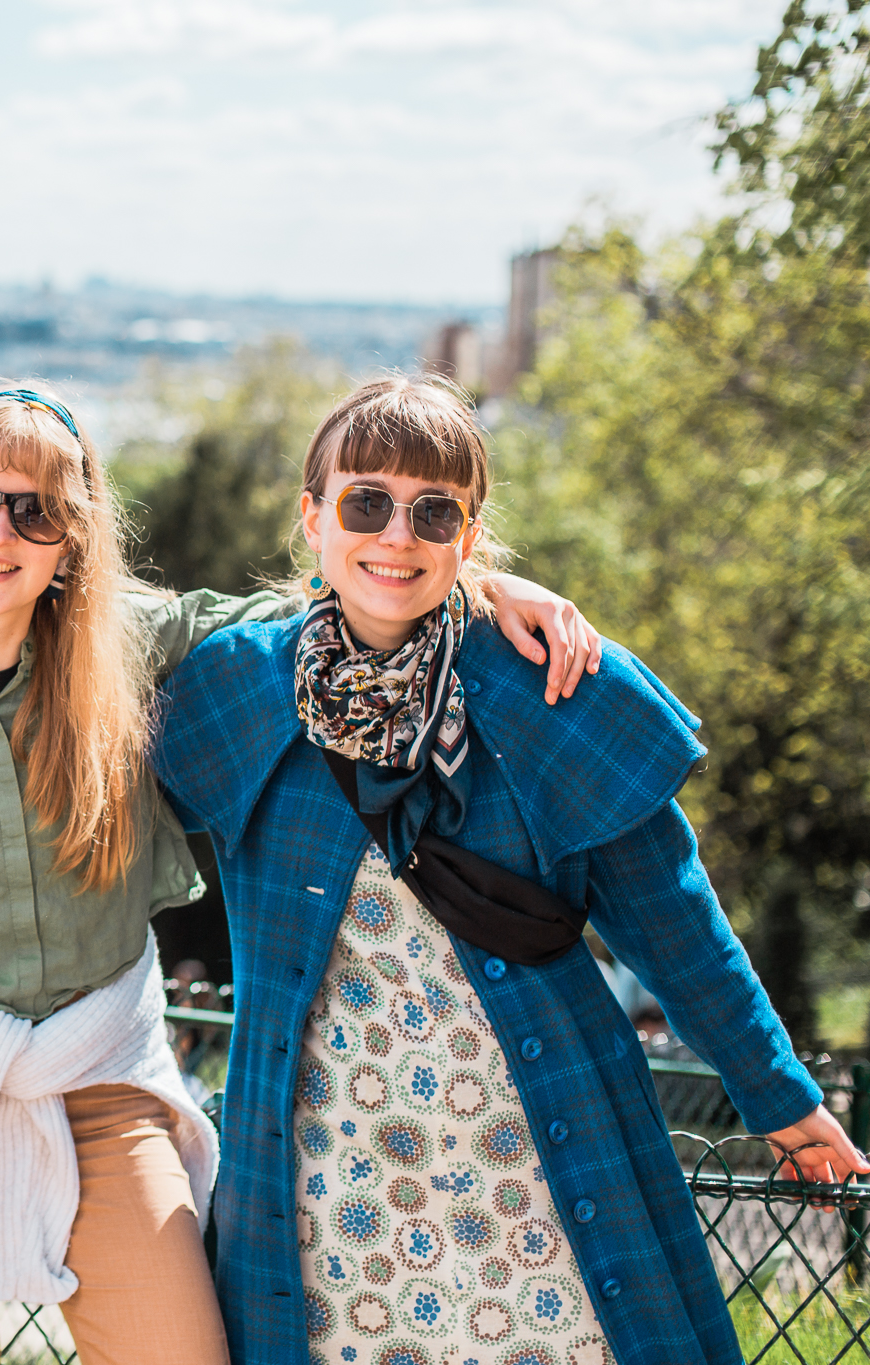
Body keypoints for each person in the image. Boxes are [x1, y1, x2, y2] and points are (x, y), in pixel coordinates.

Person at [0, 364, 601, 1365]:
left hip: (98, 1073)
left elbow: (335, 599)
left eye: (34, 514)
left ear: (70, 541)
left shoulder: (131, 643)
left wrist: (477, 580)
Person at [151, 375, 865, 1365]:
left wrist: (781, 1099)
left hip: (534, 1163)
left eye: (432, 511)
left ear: (468, 535)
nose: (395, 535)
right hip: (324, 1181)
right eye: (365, 503)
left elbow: (674, 922)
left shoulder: (557, 689)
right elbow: (70, 695)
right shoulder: (235, 690)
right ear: (312, 520)